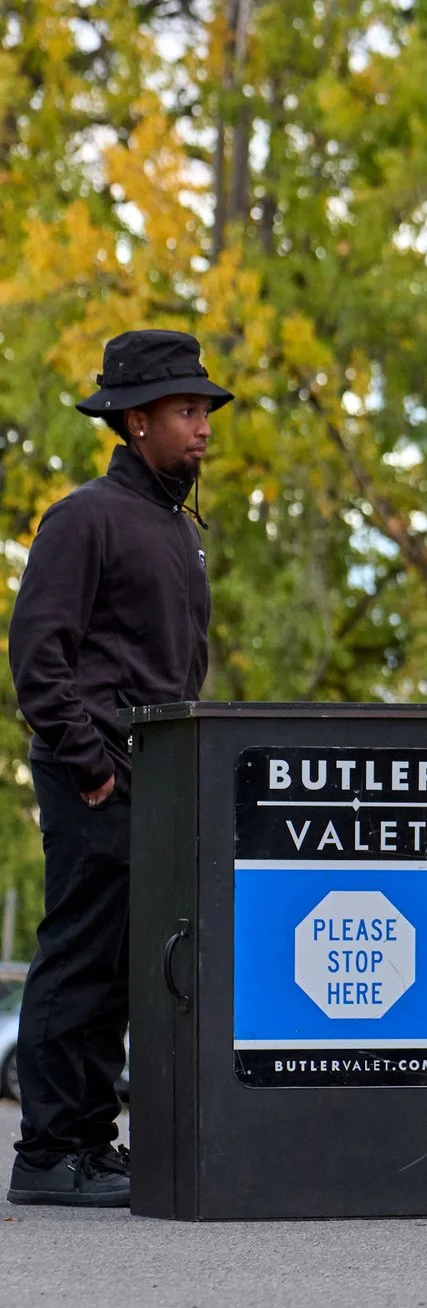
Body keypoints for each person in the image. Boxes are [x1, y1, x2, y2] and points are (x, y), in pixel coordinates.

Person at [6, 330, 225, 1208]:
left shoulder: (172, 523)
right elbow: (37, 653)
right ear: (136, 422)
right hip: (92, 771)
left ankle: (91, 1145)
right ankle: (49, 1153)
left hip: (154, 782)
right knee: (82, 957)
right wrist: (89, 763)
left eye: (205, 410)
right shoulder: (85, 516)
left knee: (126, 966)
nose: (202, 427)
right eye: (185, 410)